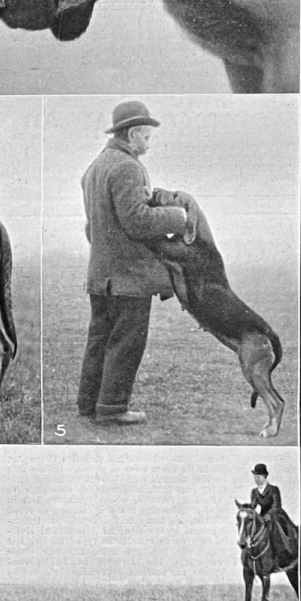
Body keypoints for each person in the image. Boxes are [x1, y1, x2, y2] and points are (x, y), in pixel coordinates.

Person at [76, 101, 190, 426]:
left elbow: (92, 227)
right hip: (128, 278)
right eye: (147, 137)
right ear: (133, 133)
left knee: (99, 340)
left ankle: (89, 404)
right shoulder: (127, 167)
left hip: (101, 276)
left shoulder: (94, 168)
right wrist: (179, 217)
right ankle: (112, 408)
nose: (148, 145)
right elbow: (137, 221)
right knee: (126, 342)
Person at [250, 464, 299, 554]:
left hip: (275, 515)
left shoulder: (273, 489)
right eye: (255, 477)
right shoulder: (254, 492)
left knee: (279, 528)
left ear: (265, 477)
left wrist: (269, 514)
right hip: (261, 517)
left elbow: (276, 505)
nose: (256, 479)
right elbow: (253, 506)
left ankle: (287, 548)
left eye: (259, 477)